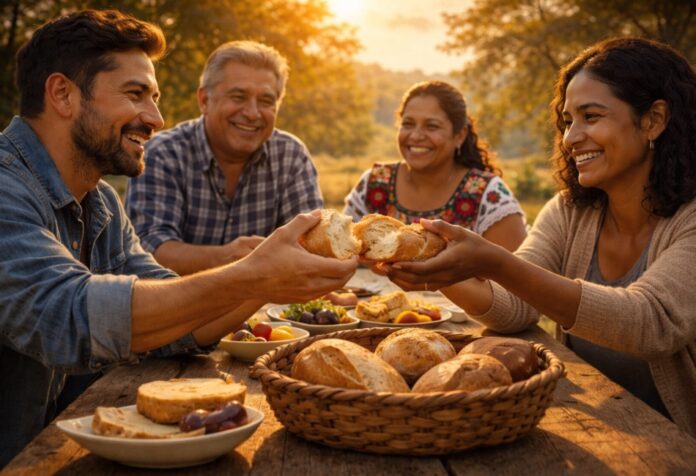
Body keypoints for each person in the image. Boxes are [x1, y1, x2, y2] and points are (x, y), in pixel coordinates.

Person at [0, 10, 356, 466]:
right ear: (63, 94)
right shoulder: (6, 186)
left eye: (155, 97)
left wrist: (263, 280)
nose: (156, 117)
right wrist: (251, 272)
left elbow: (176, 324)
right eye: (136, 94)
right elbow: (65, 315)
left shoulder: (101, 202)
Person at [383, 38, 696, 436]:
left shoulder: (689, 219)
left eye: (591, 116)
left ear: (653, 120)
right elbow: (513, 308)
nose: (570, 138)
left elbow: (651, 324)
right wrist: (443, 271)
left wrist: (494, 261)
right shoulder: (571, 211)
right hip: (593, 430)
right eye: (568, 121)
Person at [125, 40, 323, 275]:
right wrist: (230, 258)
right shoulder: (164, 153)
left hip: (265, 308)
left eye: (266, 101)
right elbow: (149, 250)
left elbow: (311, 244)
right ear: (204, 100)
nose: (252, 113)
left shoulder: (291, 156)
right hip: (178, 306)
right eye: (238, 97)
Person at [344, 80, 527, 252]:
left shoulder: (488, 194)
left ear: (460, 135)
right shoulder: (375, 183)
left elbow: (517, 277)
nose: (416, 135)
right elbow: (343, 250)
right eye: (408, 124)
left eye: (431, 126)